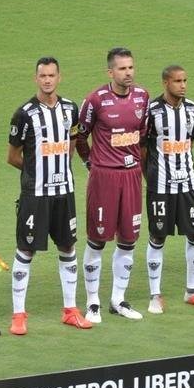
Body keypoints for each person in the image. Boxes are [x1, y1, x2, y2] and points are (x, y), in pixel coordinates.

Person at [7, 57, 91, 334]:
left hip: (64, 192)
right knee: (26, 249)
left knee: (68, 247)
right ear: (36, 78)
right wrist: (35, 173)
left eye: (51, 75)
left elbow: (73, 143)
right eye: (42, 75)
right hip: (35, 195)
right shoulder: (24, 114)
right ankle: (18, 315)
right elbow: (13, 156)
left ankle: (70, 310)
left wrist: (60, 170)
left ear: (59, 77)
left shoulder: (70, 109)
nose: (47, 80)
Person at [75, 48, 150, 323]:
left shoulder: (143, 96)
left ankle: (118, 300)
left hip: (131, 176)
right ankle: (92, 302)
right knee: (97, 240)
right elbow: (80, 137)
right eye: (122, 68)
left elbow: (143, 135)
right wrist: (91, 163)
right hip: (104, 177)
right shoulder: (95, 100)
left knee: (129, 239)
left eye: (131, 67)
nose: (128, 73)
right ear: (110, 72)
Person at [145, 65, 194, 312]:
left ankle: (192, 291)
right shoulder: (152, 111)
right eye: (177, 81)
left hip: (188, 183)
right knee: (158, 235)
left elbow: (189, 142)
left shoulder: (193, 108)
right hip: (160, 185)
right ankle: (155, 295)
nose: (183, 85)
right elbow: (143, 149)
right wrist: (151, 177)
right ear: (165, 83)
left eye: (185, 80)